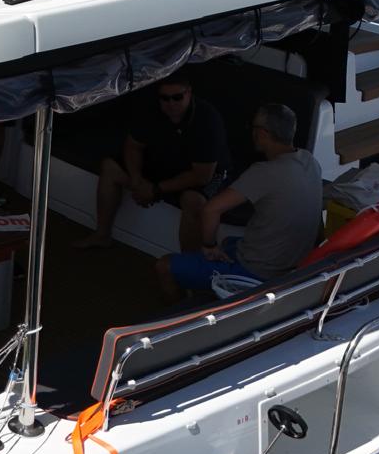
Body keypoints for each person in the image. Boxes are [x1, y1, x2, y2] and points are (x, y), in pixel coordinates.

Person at [156, 102, 323, 300]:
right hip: (294, 263)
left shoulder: (264, 172)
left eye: (253, 127)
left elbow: (210, 210)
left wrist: (209, 246)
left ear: (262, 133)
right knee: (229, 242)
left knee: (164, 266)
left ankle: (183, 312)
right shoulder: (309, 160)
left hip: (258, 272)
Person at [79, 74, 229, 249]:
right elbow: (133, 146)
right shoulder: (150, 109)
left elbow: (202, 176)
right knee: (109, 167)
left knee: (194, 201)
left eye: (177, 97)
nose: (171, 103)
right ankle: (102, 235)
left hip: (200, 172)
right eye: (165, 98)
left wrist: (155, 189)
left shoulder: (207, 120)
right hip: (163, 161)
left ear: (189, 93)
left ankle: (186, 262)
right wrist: (137, 181)